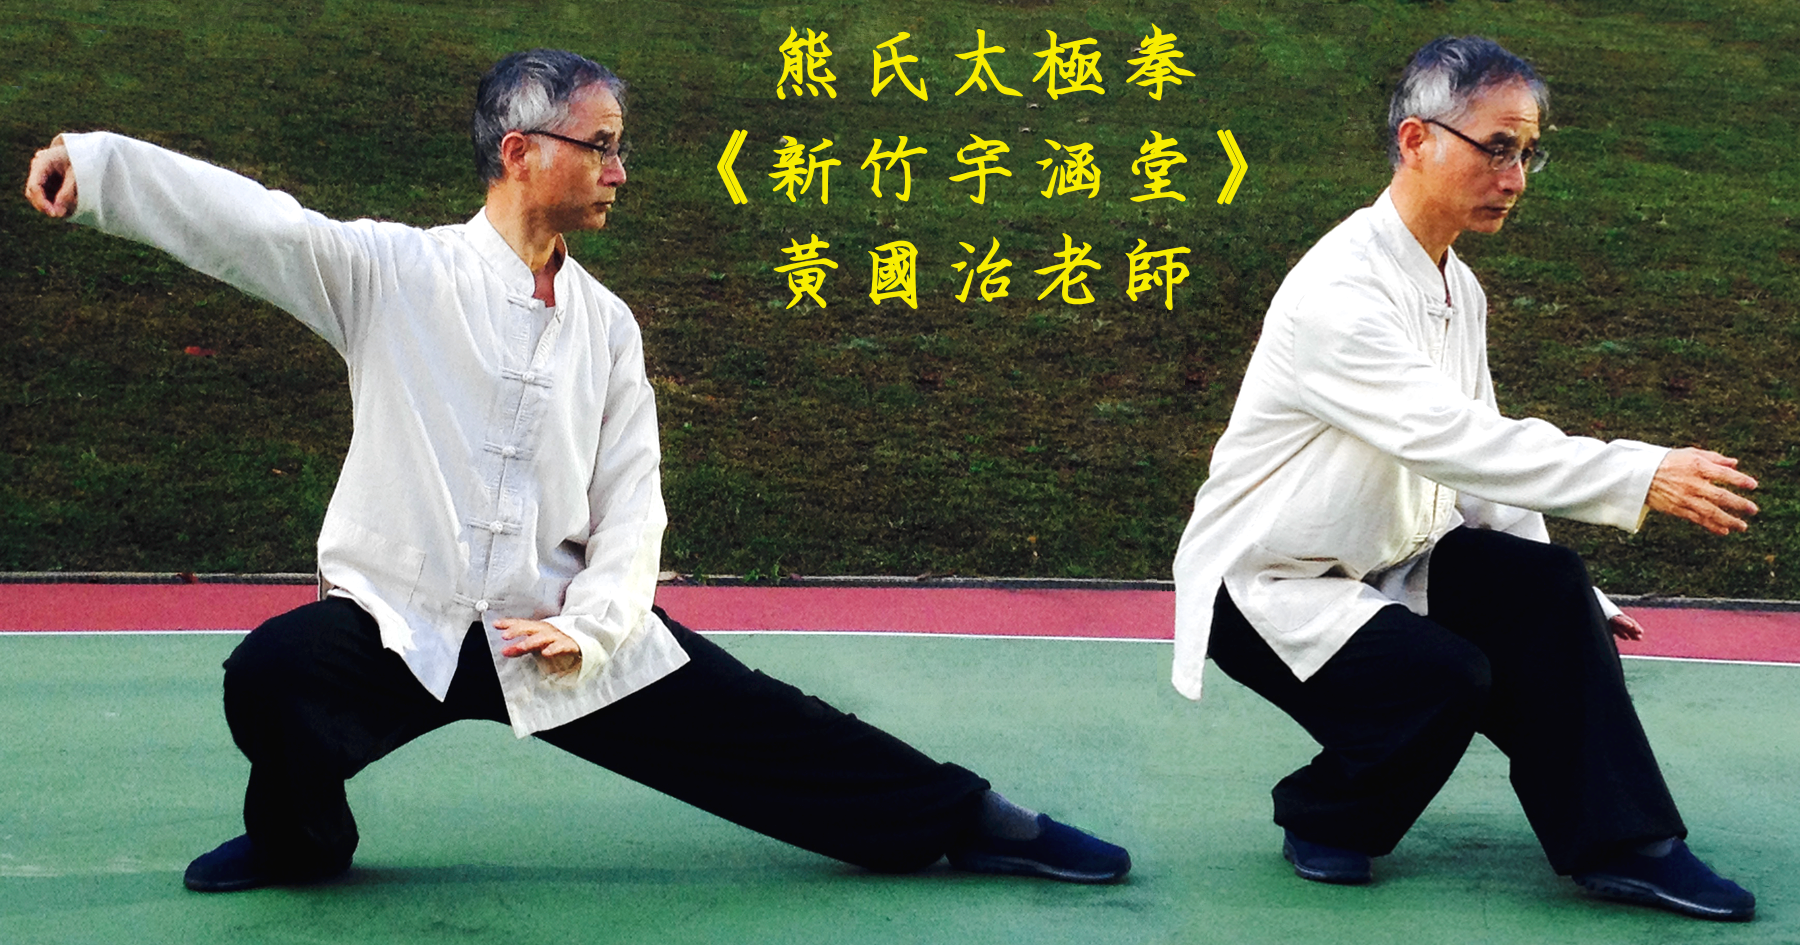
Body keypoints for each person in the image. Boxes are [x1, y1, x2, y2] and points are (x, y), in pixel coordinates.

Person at [24, 48, 1129, 892]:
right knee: (275, 673)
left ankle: (969, 819)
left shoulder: (609, 327)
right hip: (402, 629)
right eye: (600, 146)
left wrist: (593, 629)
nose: (618, 170)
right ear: (520, 152)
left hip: (550, 631)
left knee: (773, 727)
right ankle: (300, 843)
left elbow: (632, 506)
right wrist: (104, 167)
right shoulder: (392, 274)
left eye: (617, 147)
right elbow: (256, 227)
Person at [1170, 36, 1757, 921]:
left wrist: (1575, 602)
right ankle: (1324, 811)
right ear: (1416, 140)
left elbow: (1481, 460)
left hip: (1392, 559)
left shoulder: (1457, 286)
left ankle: (1627, 843)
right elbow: (1449, 438)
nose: (1514, 178)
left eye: (1527, 153)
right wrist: (1639, 473)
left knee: (1550, 588)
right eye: (1497, 148)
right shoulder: (1339, 293)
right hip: (1266, 583)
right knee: (1447, 677)